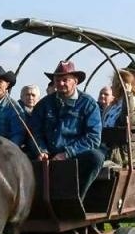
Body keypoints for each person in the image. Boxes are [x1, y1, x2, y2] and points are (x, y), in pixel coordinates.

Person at [26, 59, 104, 188]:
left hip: (76, 155)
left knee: (96, 158)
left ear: (75, 81)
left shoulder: (88, 104)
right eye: (57, 80)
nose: (61, 83)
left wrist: (67, 153)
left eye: (65, 80)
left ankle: (77, 199)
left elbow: (93, 138)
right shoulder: (44, 104)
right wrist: (41, 150)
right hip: (48, 155)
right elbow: (34, 132)